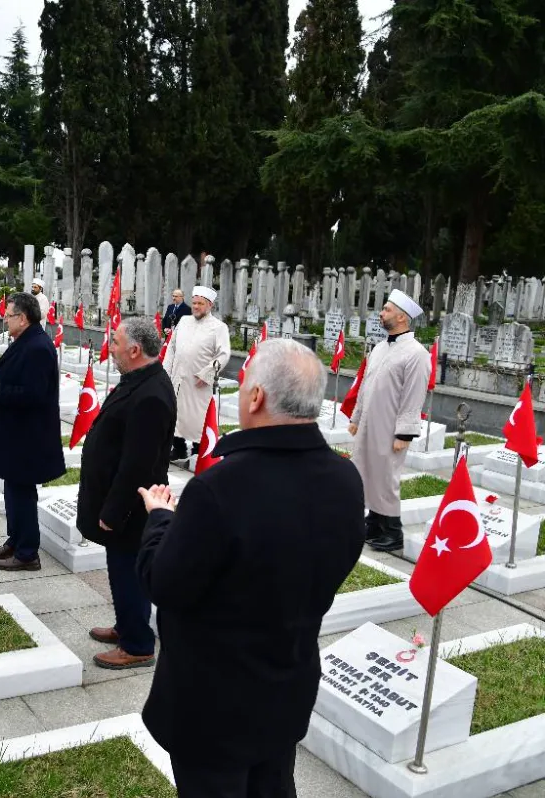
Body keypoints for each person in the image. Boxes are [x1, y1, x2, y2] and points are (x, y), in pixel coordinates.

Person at [136, 339, 365, 798]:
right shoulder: (345, 480)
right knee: (274, 783)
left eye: (243, 388)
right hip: (288, 682)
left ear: (257, 398)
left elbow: (164, 582)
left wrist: (160, 519)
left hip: (213, 704)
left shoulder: (220, 487)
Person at [76, 317, 176, 670]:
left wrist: (113, 511)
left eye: (116, 342)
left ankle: (137, 644)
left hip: (130, 507)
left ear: (135, 350)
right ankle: (126, 625)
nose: (112, 348)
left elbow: (138, 465)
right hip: (119, 501)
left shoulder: (152, 394)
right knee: (120, 569)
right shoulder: (138, 380)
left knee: (129, 571)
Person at [0, 292, 66, 571]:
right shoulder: (26, 341)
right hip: (15, 433)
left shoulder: (38, 347)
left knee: (23, 493)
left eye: (9, 315)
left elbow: (34, 394)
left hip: (28, 436)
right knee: (13, 490)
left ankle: (28, 552)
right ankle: (15, 540)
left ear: (24, 317)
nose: (5, 320)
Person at [349, 288, 431, 553]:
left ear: (402, 318)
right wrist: (357, 417)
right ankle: (374, 522)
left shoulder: (416, 353)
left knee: (386, 476)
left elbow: (413, 395)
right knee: (364, 470)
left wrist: (404, 434)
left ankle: (393, 532)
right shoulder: (380, 348)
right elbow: (365, 386)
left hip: (390, 425)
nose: (381, 313)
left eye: (386, 309)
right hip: (369, 422)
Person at [163, 286, 231, 461]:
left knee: (198, 418)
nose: (196, 307)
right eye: (194, 303)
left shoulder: (219, 327)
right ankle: (177, 448)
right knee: (175, 415)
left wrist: (208, 373)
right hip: (178, 378)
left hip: (199, 381)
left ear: (209, 305)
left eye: (200, 303)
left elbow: (223, 354)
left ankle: (199, 449)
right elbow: (172, 347)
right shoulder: (184, 321)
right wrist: (165, 371)